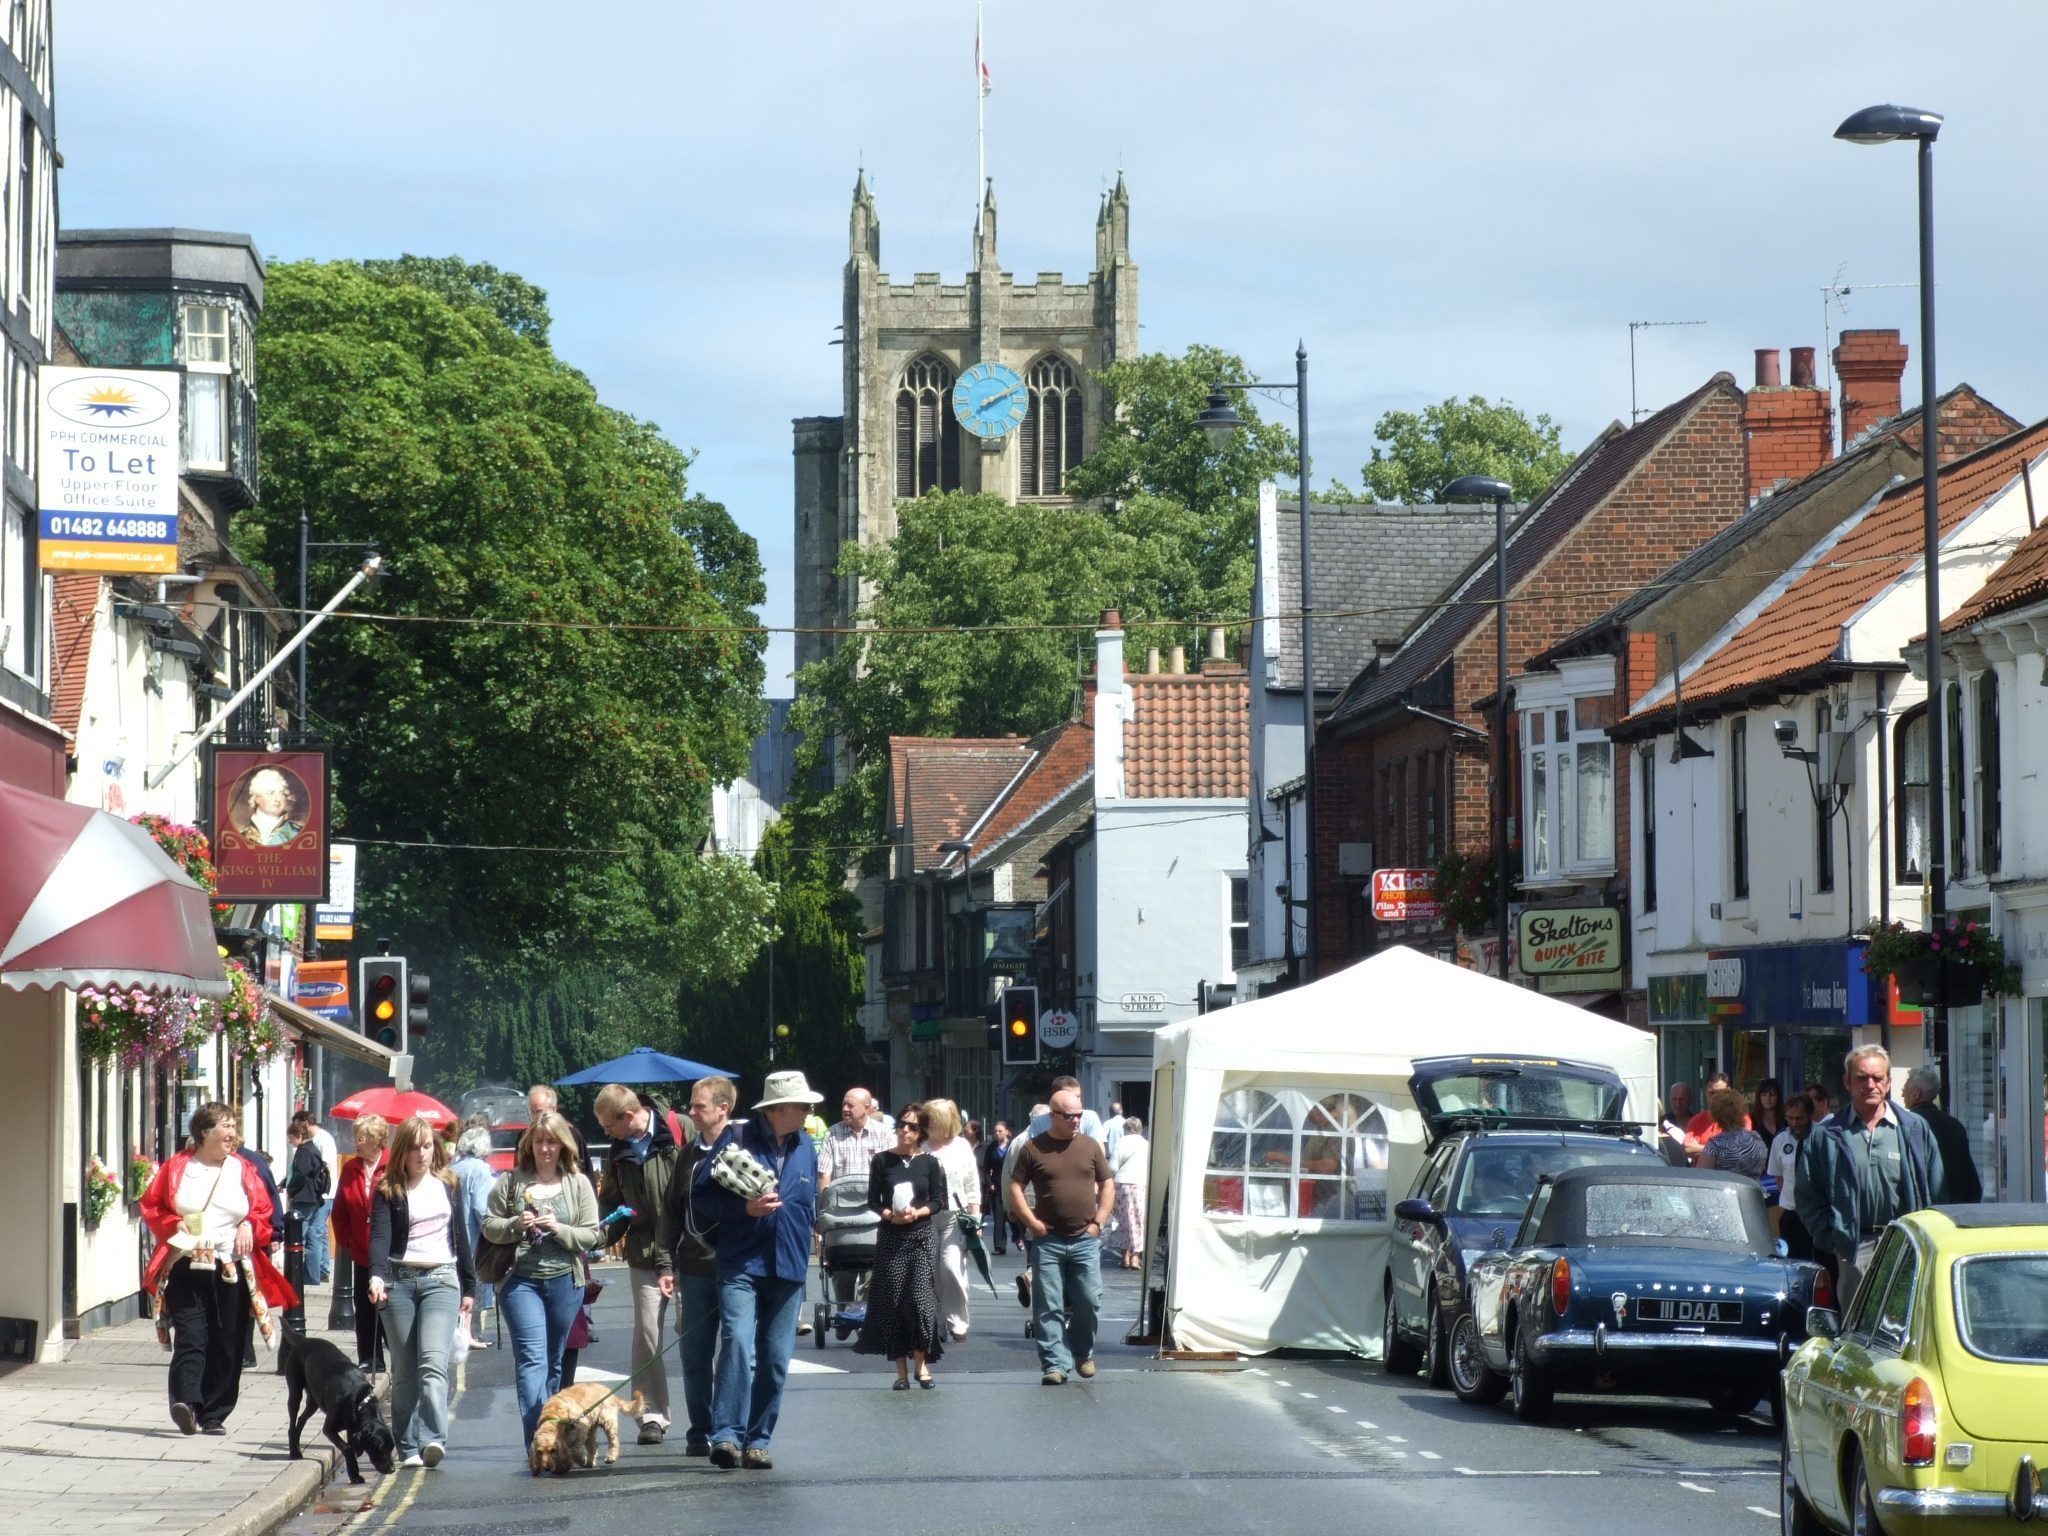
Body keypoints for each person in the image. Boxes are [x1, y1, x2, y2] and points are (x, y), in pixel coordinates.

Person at [139, 1101, 295, 1435]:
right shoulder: (178, 1167)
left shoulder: (244, 1169)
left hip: (230, 1265)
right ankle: (187, 1404)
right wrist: (174, 1223)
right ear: (204, 1132)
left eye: (233, 1127)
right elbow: (152, 1205)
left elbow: (264, 1209)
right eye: (225, 1126)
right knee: (192, 1336)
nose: (232, 1134)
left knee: (228, 1341)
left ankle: (214, 1413)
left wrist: (249, 1226)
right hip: (186, 1263)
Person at [693, 1069, 821, 1471]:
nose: (809, 1110)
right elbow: (701, 1199)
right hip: (742, 1262)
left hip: (789, 1266)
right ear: (780, 1108)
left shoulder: (807, 1147)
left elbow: (807, 1204)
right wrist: (743, 1209)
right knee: (736, 1342)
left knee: (777, 1358)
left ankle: (758, 1440)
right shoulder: (737, 1138)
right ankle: (726, 1436)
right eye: (803, 1105)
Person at [1796, 1044, 1946, 1309]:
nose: (1870, 1084)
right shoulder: (1827, 1135)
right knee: (1855, 1326)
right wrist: (1832, 1240)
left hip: (1904, 1245)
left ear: (1888, 1082)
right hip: (1854, 1248)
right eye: (1861, 1078)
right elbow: (1807, 1194)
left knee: (1903, 1324)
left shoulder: (1913, 1129)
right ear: (1847, 1082)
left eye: (1877, 1078)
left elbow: (1937, 1188)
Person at [484, 1111, 602, 1446]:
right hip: (521, 1281)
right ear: (529, 1144)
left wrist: (558, 1228)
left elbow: (591, 1235)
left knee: (553, 1362)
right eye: (539, 1141)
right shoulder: (511, 1182)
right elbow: (489, 1225)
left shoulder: (577, 1183)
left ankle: (552, 1433)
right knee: (532, 1358)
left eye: (551, 1141)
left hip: (566, 1280)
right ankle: (535, 1441)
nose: (545, 1148)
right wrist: (515, 1226)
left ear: (562, 1144)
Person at [369, 1115, 477, 1469]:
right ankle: (407, 1444)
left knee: (433, 1362)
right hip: (398, 1282)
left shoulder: (448, 1183)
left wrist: (470, 1284)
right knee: (406, 1370)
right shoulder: (389, 1190)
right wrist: (375, 1276)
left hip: (442, 1280)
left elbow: (459, 1235)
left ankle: (433, 1438)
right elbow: (381, 1237)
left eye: (427, 1146)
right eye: (414, 1147)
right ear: (401, 1151)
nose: (422, 1154)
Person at [594, 1082, 686, 1444]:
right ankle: (651, 1416)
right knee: (647, 1336)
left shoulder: (679, 1132)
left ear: (629, 1115)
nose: (605, 1133)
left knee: (694, 1333)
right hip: (645, 1253)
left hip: (687, 1251)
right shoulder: (619, 1152)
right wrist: (597, 1238)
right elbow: (613, 1204)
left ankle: (710, 1416)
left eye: (608, 1126)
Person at [1008, 1086, 1114, 1386]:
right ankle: (1055, 1364)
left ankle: (1082, 1351)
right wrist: (1031, 1222)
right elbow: (1015, 1187)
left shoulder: (1091, 1147)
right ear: (1053, 1115)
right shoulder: (1034, 1148)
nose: (1075, 1121)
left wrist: (1098, 1223)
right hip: (1048, 1240)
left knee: (1089, 1300)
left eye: (1079, 1115)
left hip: (1085, 1239)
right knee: (1048, 1305)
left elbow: (1107, 1184)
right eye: (1069, 1116)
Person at [658, 1074, 738, 1458]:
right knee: (694, 1354)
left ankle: (727, 1428)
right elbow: (672, 1211)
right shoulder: (687, 1154)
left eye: (698, 1106)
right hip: (694, 1268)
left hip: (739, 1269)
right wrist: (665, 1263)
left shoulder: (743, 1147)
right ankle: (700, 1429)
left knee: (736, 1350)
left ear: (723, 1108)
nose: (690, 1112)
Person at [855, 1103, 947, 1388]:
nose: (905, 1130)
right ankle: (901, 1373)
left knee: (919, 1301)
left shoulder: (930, 1163)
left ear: (921, 1133)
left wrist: (916, 1214)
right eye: (902, 1125)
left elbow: (937, 1200)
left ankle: (921, 1366)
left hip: (920, 1235)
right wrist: (889, 1215)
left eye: (912, 1127)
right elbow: (873, 1199)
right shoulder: (882, 1161)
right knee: (894, 1300)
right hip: (892, 1237)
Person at [816, 1087, 891, 1307]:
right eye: (843, 1104)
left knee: (872, 1269)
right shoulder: (833, 1134)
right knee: (841, 1266)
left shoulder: (883, 1134)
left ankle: (865, 1315)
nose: (845, 1109)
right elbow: (824, 1176)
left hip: (873, 1212)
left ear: (867, 1108)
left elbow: (889, 1174)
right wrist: (823, 1210)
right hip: (842, 1212)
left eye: (850, 1105)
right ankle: (844, 1307)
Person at [334, 1114, 390, 1373]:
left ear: (379, 1140)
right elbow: (340, 1209)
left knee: (388, 1308)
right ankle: (369, 1357)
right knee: (364, 1306)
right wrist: (348, 1240)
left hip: (390, 1253)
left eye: (364, 1137)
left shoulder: (392, 1166)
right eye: (357, 1135)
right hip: (361, 1251)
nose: (358, 1141)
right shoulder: (351, 1168)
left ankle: (398, 1355)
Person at [922, 1098, 980, 1340]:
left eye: (930, 1120)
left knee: (951, 1267)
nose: (924, 1124)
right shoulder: (920, 1146)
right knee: (930, 1270)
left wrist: (975, 1218)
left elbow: (972, 1183)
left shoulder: (961, 1146)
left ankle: (957, 1319)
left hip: (954, 1215)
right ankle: (936, 1319)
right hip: (924, 1215)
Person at [1902, 1065, 1983, 1204]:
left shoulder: (1905, 1126)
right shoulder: (1955, 1125)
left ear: (1916, 1093)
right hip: (1956, 1209)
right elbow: (1972, 1182)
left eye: (1905, 1090)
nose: (1903, 1094)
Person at [451, 1122, 496, 1345]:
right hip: (473, 1240)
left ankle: (460, 1333)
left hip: (453, 1240)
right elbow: (482, 1209)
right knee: (474, 1284)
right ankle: (468, 1334)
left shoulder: (454, 1167)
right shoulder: (480, 1169)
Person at [290, 1110, 340, 1285]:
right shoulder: (315, 1141)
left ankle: (317, 1272)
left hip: (323, 1194)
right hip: (321, 1193)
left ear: (304, 1123)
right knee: (319, 1232)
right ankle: (322, 1269)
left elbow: (321, 1168)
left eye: (296, 1123)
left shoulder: (322, 1139)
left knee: (315, 1233)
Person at [1766, 1092, 1817, 1258]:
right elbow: (1778, 1176)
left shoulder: (1822, 1137)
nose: (1794, 1123)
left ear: (1810, 1115)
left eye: (1799, 1118)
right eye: (1790, 1118)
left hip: (1817, 1214)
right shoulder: (1780, 1140)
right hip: (1791, 1214)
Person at [1696, 1088, 1768, 1179]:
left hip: (1726, 1192)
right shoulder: (1756, 1138)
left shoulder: (1715, 1145)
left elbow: (1701, 1177)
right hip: (1754, 1191)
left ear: (1716, 1115)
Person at [1110, 1116, 1150, 1270]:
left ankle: (1124, 1257)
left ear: (1125, 1129)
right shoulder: (1146, 1144)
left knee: (1123, 1220)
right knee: (1139, 1220)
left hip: (1122, 1185)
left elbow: (1113, 1167)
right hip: (1140, 1184)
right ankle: (1135, 1257)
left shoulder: (1121, 1142)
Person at [241, 766, 304, 845]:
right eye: (271, 793)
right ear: (257, 798)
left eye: (281, 793)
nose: (277, 799)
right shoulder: (242, 836)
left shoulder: (298, 833)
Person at [982, 1121, 1018, 1254]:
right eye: (995, 1131)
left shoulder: (1013, 1146)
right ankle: (999, 1246)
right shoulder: (991, 1148)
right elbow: (986, 1168)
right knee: (999, 1217)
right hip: (996, 1187)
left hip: (1012, 1185)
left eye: (1000, 1131)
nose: (997, 1134)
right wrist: (989, 1183)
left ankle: (1018, 1236)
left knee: (1014, 1214)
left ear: (1007, 1132)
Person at [1752, 1077, 1788, 1143]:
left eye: (1772, 1094)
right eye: (1764, 1095)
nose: (1768, 1098)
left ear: (1777, 1097)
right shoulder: (1751, 1120)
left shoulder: (1786, 1120)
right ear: (1759, 1097)